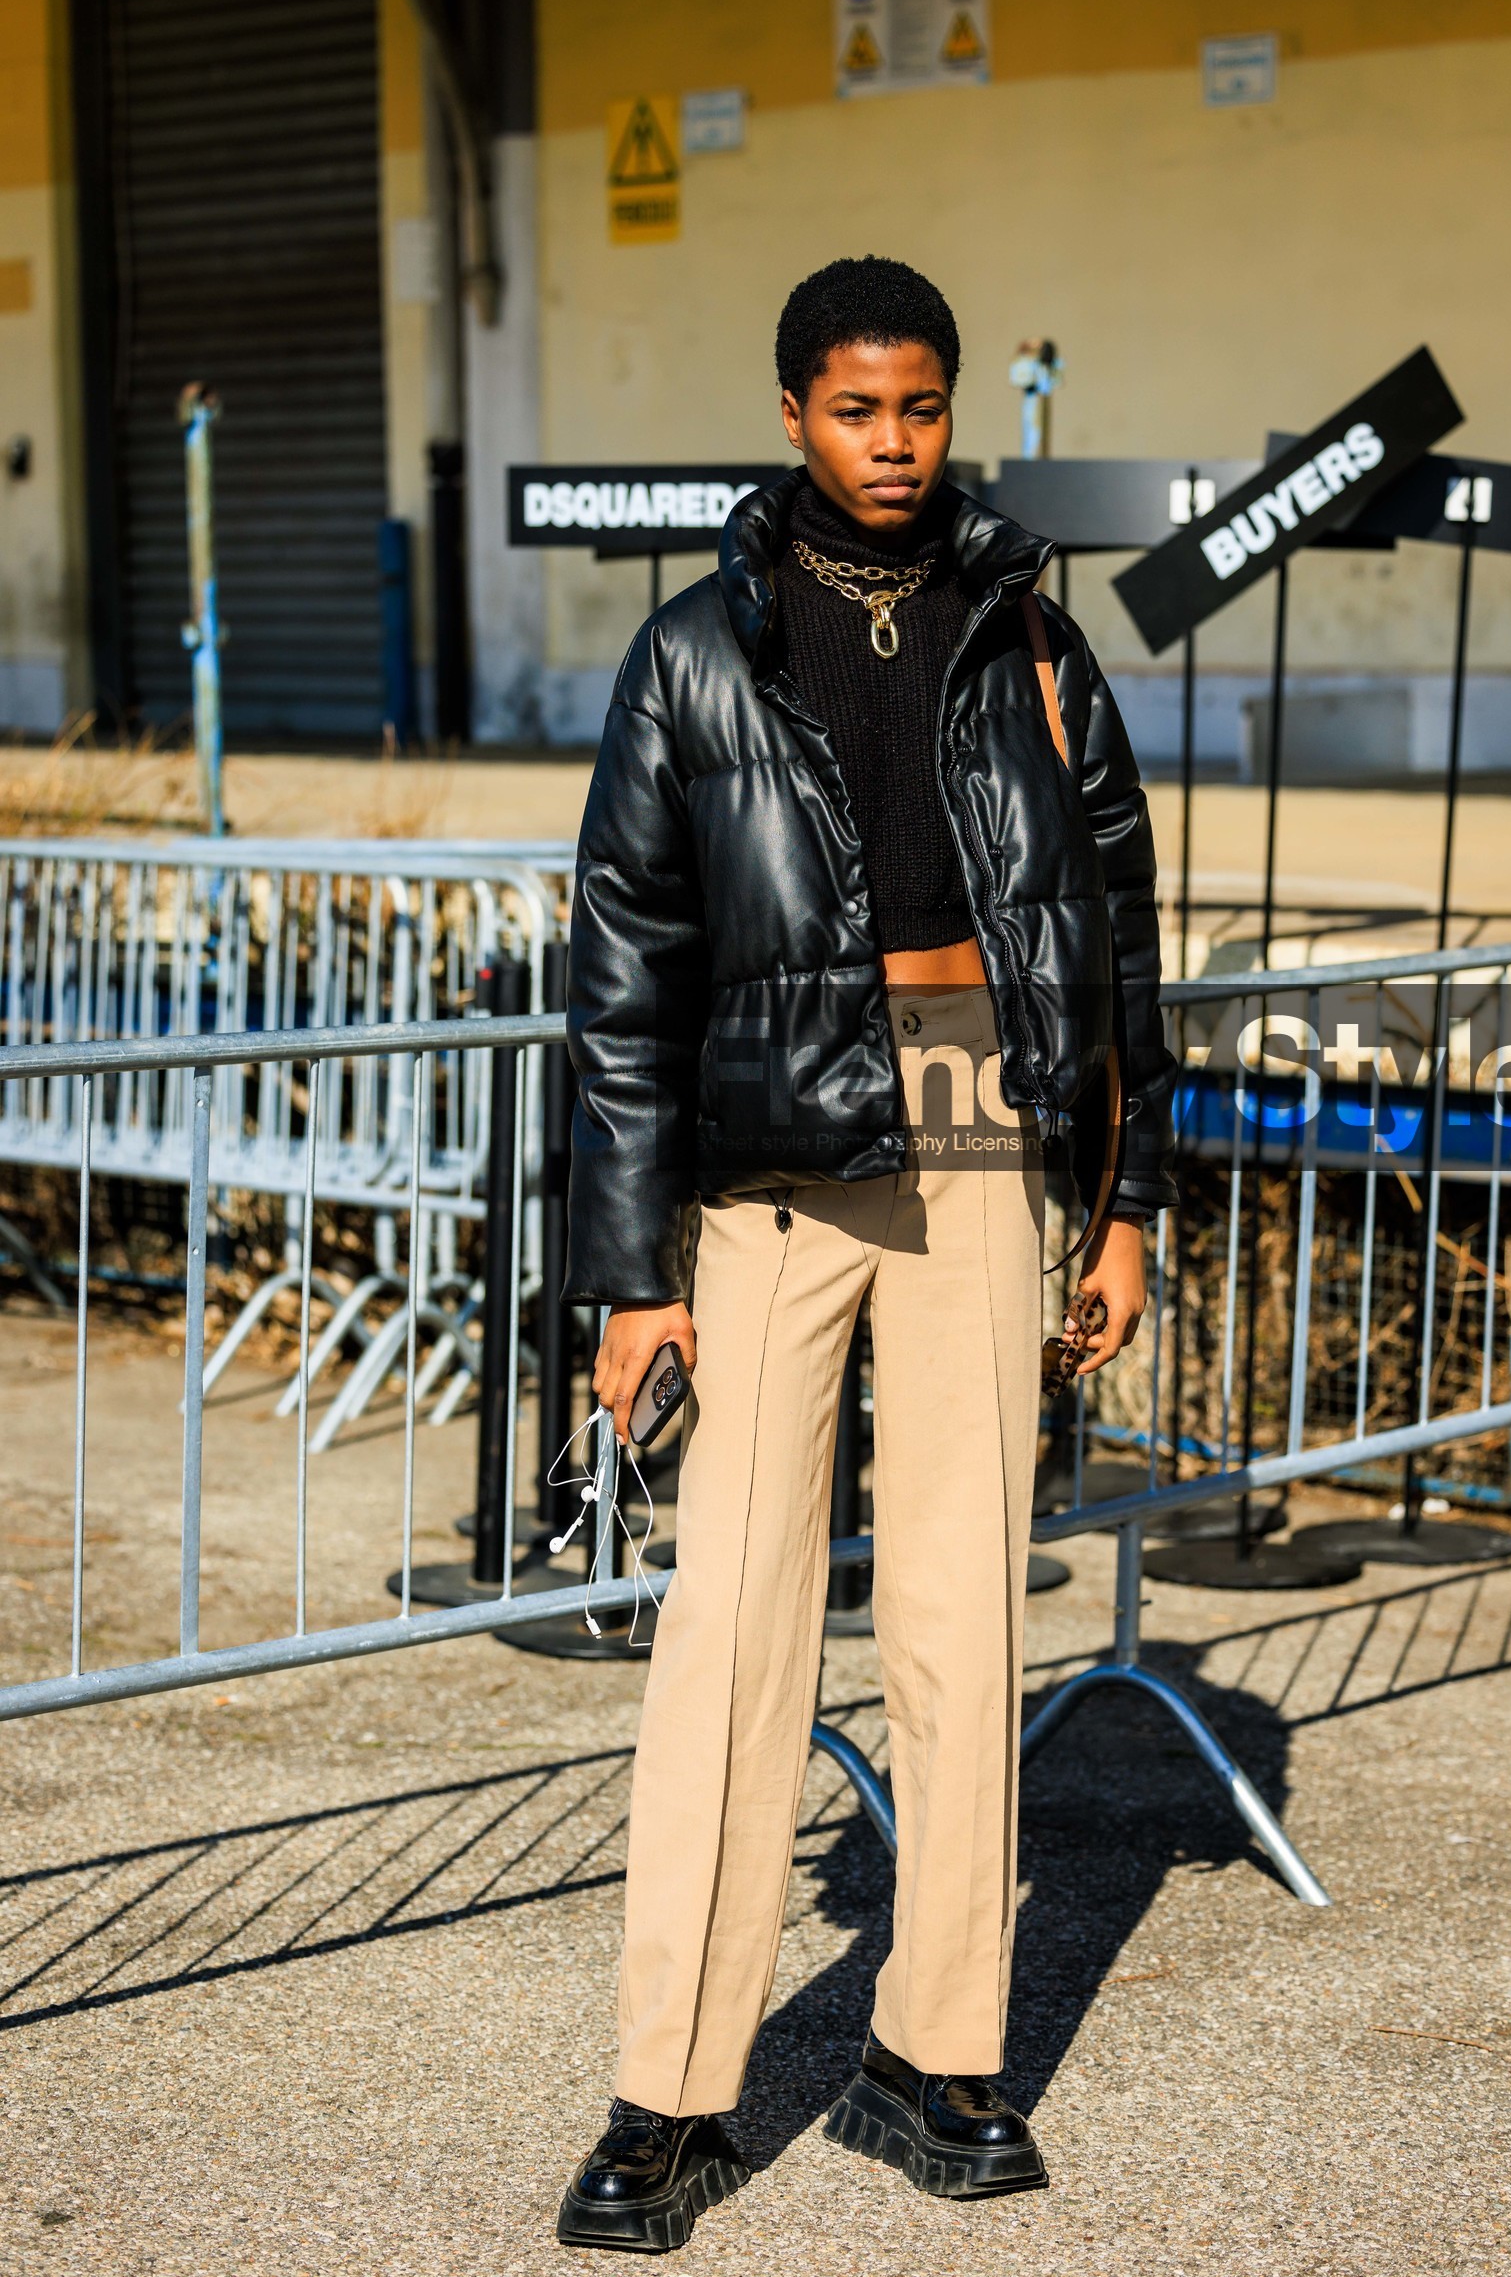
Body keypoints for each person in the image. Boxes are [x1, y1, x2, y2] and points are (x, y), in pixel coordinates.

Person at [555, 256, 1176, 2252]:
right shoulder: (692, 655)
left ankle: (938, 2060)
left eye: (920, 409)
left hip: (983, 1127)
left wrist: (1128, 1196)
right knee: (729, 1617)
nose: (893, 445)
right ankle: (669, 2092)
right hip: (765, 1161)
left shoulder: (1032, 640)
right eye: (855, 409)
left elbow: (1115, 935)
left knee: (956, 1610)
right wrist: (629, 1272)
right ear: (793, 410)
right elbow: (623, 974)